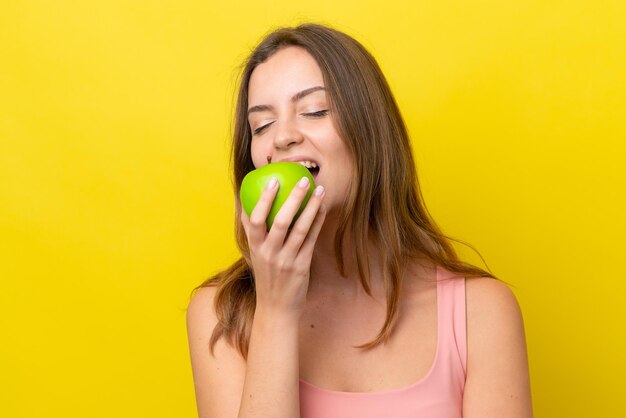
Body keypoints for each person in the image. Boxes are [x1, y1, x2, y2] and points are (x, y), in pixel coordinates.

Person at [186, 23, 532, 418]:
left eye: (314, 110)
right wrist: (275, 312)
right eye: (261, 126)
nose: (281, 137)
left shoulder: (481, 313)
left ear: (369, 131)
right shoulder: (221, 316)